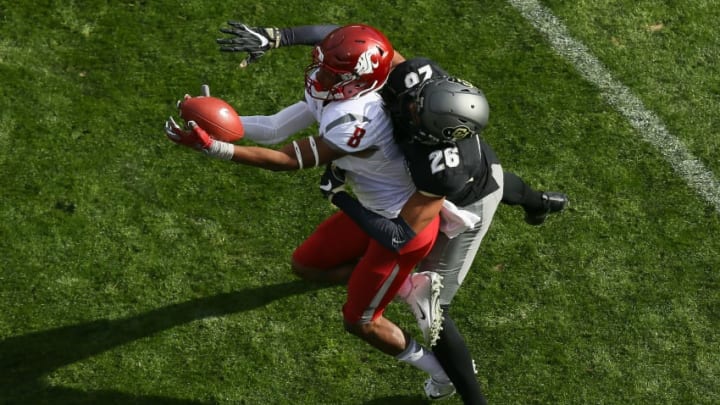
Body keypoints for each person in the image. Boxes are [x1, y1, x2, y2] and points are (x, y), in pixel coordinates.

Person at [215, 23, 569, 404]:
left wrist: (339, 196)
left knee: (435, 312)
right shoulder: (418, 81)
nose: (407, 106)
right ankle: (541, 202)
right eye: (415, 100)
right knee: (498, 179)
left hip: (464, 202)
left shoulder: (439, 169)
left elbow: (401, 233)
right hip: (480, 172)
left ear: (434, 133)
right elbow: (362, 44)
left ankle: (472, 398)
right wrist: (279, 35)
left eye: (416, 111)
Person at [165, 24, 455, 398]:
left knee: (360, 321)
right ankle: (396, 284)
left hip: (400, 228)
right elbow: (273, 129)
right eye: (322, 65)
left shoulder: (357, 119)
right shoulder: (351, 88)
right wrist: (216, 123)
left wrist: (216, 149)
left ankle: (441, 373)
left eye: (333, 73)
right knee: (305, 266)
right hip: (371, 208)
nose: (320, 75)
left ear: (357, 81)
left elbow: (289, 159)